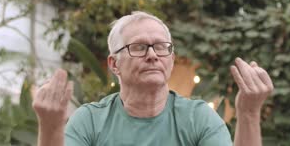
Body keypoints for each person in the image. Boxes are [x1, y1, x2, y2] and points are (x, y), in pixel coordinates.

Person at [32, 11, 274, 146]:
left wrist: (249, 113)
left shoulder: (198, 118)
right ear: (114, 64)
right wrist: (50, 127)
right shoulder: (91, 121)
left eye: (160, 47)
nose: (152, 55)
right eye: (138, 47)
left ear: (170, 58)